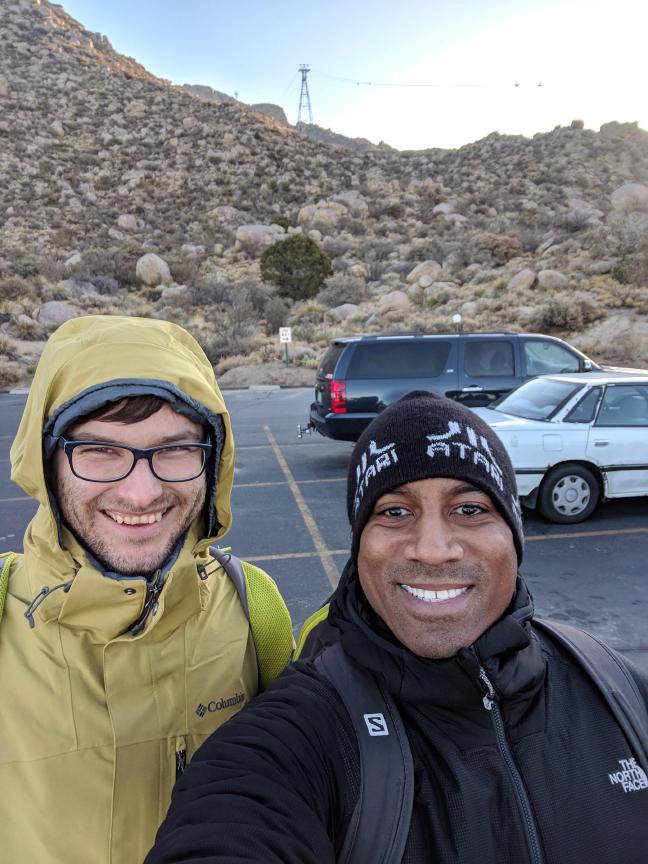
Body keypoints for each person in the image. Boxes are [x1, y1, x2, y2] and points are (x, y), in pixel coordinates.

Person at [146, 390, 648, 864]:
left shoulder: (615, 688)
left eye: (470, 509)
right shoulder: (299, 735)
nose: (431, 548)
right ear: (360, 543)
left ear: (513, 536)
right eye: (395, 511)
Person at [0, 315, 293, 864]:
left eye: (176, 449)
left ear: (214, 460)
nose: (141, 492)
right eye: (100, 450)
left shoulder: (254, 608)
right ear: (45, 461)